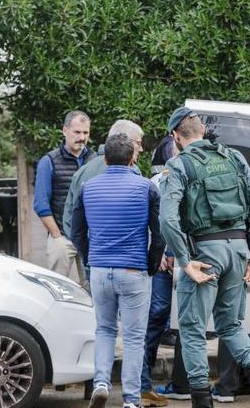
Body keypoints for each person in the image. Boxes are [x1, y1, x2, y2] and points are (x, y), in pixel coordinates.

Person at [158, 107, 250, 408]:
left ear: (176, 136)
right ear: (203, 131)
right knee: (233, 326)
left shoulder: (179, 164)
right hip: (238, 250)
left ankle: (201, 401)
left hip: (204, 254)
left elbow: (168, 220)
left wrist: (185, 261)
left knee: (193, 330)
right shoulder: (234, 158)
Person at [71, 133, 166, 408]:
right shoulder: (146, 187)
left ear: (105, 157)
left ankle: (101, 383)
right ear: (132, 158)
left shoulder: (88, 187)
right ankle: (131, 400)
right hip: (133, 269)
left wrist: (92, 258)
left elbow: (76, 232)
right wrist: (150, 265)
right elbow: (159, 234)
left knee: (104, 330)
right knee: (135, 337)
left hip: (101, 269)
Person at [34, 110, 96, 282]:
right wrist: (57, 235)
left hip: (90, 237)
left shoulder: (95, 160)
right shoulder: (49, 161)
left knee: (93, 291)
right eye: (77, 132)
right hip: (61, 236)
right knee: (57, 288)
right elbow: (41, 204)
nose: (82, 137)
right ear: (65, 130)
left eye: (85, 133)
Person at [141, 136, 179, 407]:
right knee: (156, 317)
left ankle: (184, 383)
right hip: (163, 265)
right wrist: (162, 254)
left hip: (187, 260)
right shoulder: (153, 185)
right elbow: (152, 223)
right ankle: (144, 381)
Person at [62, 120, 144, 244]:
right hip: (125, 254)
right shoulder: (132, 172)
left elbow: (69, 218)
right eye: (138, 143)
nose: (141, 148)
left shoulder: (82, 172)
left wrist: (86, 250)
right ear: (125, 141)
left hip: (93, 255)